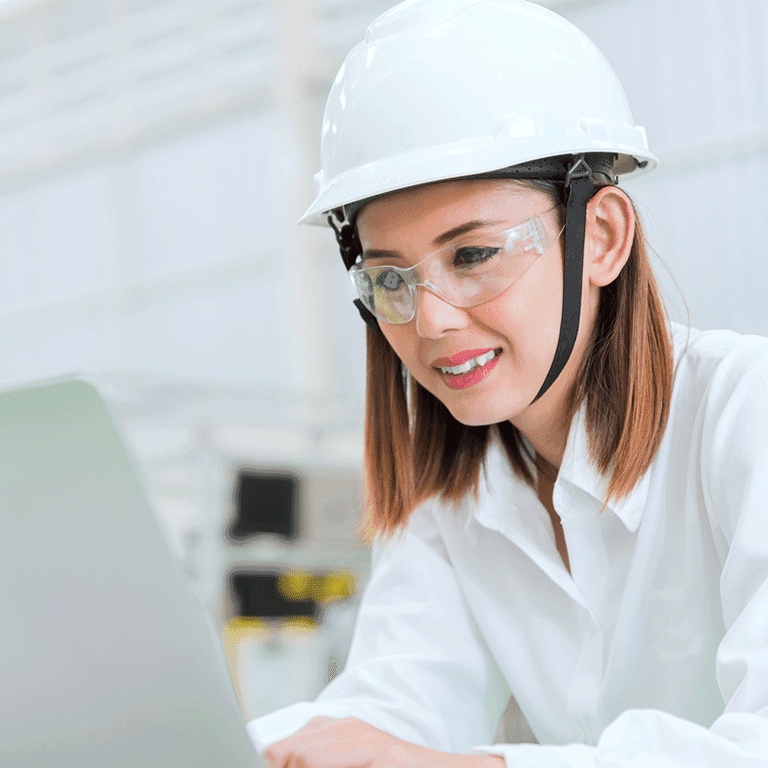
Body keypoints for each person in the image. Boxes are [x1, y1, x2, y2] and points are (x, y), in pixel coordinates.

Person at [249, 1, 768, 766]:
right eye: (389, 277)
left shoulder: (744, 414)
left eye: (472, 256)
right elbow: (387, 713)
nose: (429, 322)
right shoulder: (451, 498)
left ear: (601, 236)